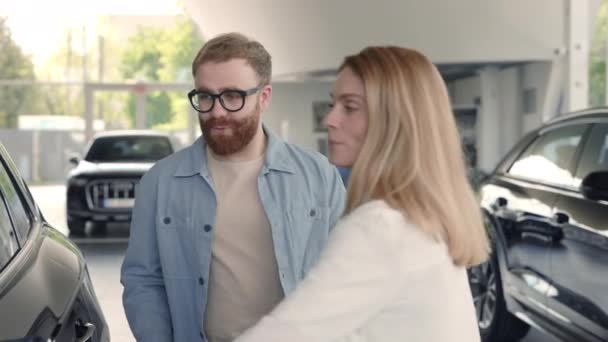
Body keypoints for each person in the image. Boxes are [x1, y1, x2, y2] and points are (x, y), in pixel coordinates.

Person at [235, 46, 489, 342]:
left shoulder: (382, 228)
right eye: (334, 104)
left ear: (395, 121)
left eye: (350, 107)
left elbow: (283, 336)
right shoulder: (425, 218)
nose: (329, 119)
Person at [120, 32, 346, 342]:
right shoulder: (160, 183)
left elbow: (343, 276)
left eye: (232, 96)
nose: (216, 111)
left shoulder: (318, 175)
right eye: (205, 96)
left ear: (263, 97)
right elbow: (143, 280)